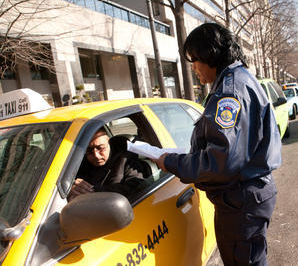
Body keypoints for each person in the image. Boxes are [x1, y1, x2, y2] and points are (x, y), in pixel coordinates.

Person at [153, 23, 281, 265]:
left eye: (195, 60)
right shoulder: (239, 80)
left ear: (209, 55)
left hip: (241, 203)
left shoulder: (230, 92)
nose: (193, 68)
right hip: (248, 198)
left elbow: (220, 161)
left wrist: (169, 160)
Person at [68, 128, 148, 201]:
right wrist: (71, 187)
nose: (96, 155)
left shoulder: (125, 158)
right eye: (89, 151)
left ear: (109, 143)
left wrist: (94, 192)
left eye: (100, 148)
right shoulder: (78, 163)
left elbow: (137, 186)